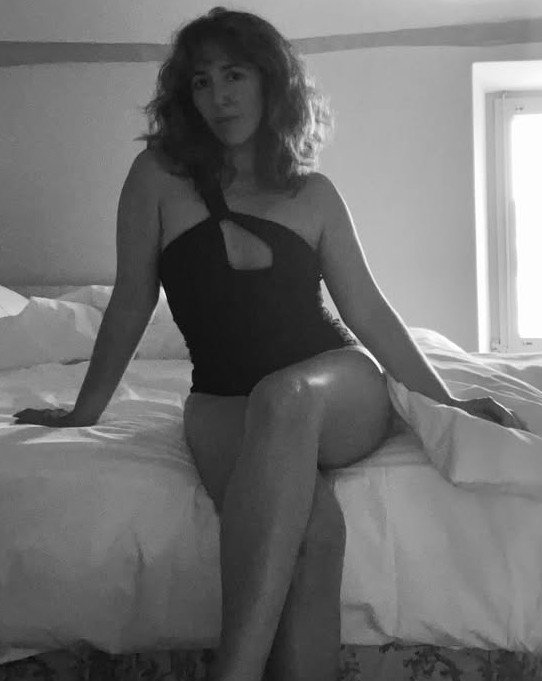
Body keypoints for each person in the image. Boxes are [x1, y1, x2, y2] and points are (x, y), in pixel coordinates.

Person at [13, 7, 529, 681]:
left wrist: (446, 402)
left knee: (285, 396)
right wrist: (85, 411)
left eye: (235, 74)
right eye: (201, 81)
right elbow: (131, 302)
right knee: (316, 534)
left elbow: (368, 312)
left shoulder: (313, 194)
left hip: (336, 386)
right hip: (222, 399)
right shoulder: (156, 178)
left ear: (271, 81)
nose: (219, 96)